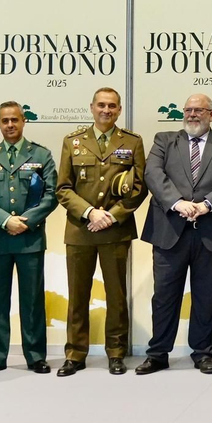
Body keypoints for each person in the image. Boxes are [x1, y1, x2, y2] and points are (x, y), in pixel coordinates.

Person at [138, 93, 212, 376]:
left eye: (199, 110)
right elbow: (153, 174)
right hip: (170, 230)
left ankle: (202, 353)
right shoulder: (164, 140)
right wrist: (178, 202)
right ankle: (158, 353)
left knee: (206, 296)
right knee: (164, 296)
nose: (192, 115)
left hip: (211, 231)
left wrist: (206, 205)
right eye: (188, 110)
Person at [55, 87, 146, 376]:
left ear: (119, 110)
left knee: (116, 296)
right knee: (77, 295)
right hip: (81, 230)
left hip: (115, 231)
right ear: (92, 108)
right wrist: (90, 212)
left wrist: (111, 215)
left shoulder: (132, 142)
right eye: (101, 105)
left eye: (112, 106)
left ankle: (116, 352)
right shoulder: (73, 142)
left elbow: (139, 187)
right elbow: (63, 188)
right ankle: (75, 353)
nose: (106, 110)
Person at [0, 101, 57, 376]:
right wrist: (6, 220)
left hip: (29, 239)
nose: (10, 125)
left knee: (32, 300)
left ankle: (35, 356)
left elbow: (51, 194)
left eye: (15, 120)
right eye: (4, 120)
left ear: (23, 121)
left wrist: (26, 221)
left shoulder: (40, 155)